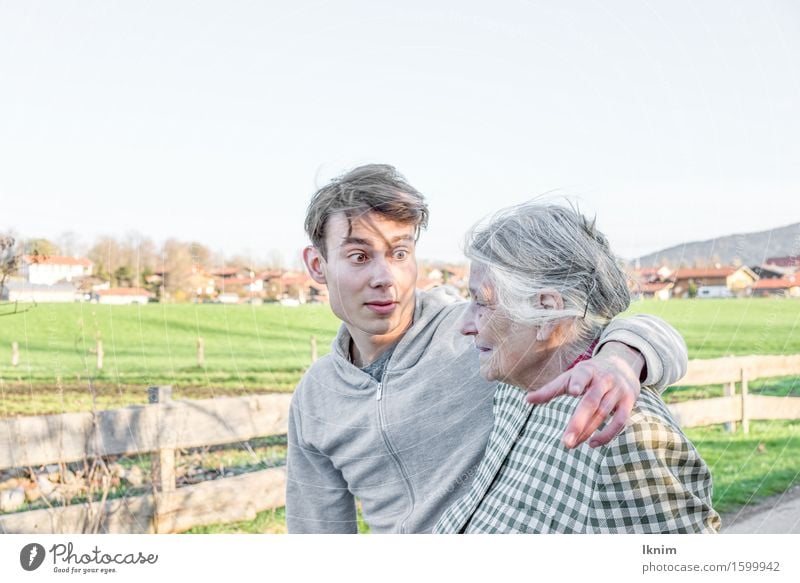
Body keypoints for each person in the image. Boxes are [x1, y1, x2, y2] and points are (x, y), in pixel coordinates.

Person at [286, 164, 689, 533]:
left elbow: (601, 322)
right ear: (317, 265)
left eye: (400, 252)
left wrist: (620, 356)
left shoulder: (487, 336)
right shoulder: (315, 399)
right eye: (359, 256)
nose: (385, 277)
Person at [434, 202, 720, 533]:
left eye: (482, 302)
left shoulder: (626, 432)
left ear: (546, 311)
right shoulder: (514, 387)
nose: (465, 324)